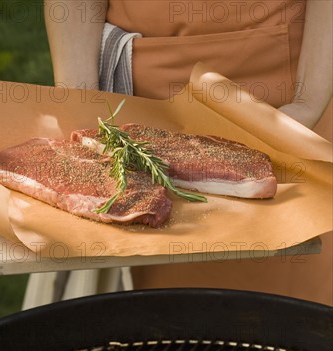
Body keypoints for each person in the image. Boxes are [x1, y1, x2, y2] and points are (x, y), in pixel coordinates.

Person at [43, 0, 333, 306]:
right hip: (142, 101)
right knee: (170, 317)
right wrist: (78, 97)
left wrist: (309, 101)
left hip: (287, 97)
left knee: (296, 318)